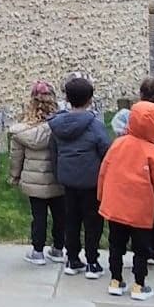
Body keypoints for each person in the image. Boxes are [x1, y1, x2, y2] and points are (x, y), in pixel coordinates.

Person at [97, 100, 154, 300]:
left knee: (116, 245)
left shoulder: (118, 144)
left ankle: (115, 280)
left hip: (115, 208)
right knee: (141, 249)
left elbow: (104, 172)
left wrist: (102, 197)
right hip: (142, 212)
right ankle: (139, 285)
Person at [47, 76, 110, 278]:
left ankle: (72, 259)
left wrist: (59, 173)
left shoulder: (56, 124)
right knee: (93, 222)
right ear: (90, 99)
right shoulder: (95, 125)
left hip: (67, 179)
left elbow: (53, 151)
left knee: (71, 221)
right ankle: (92, 262)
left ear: (67, 98)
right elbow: (105, 151)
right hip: (91, 181)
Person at [8, 81, 66, 265]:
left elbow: (16, 157)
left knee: (38, 216)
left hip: (34, 180)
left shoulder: (22, 131)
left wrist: (15, 176)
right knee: (60, 216)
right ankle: (58, 249)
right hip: (58, 178)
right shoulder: (62, 126)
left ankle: (38, 251)